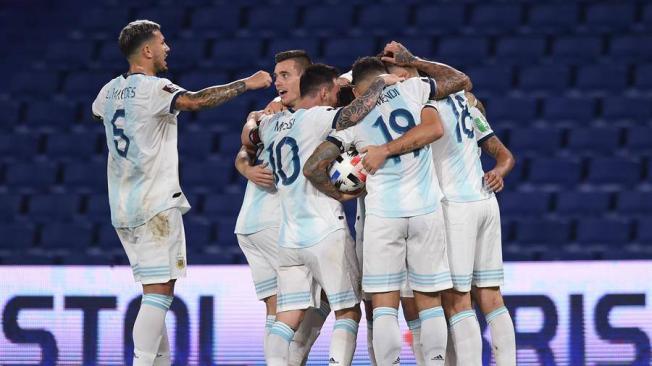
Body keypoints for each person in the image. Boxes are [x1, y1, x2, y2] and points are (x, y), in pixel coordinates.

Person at [91, 20, 271, 366]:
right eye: (162, 42)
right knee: (159, 293)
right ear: (147, 51)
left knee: (154, 289)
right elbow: (196, 101)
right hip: (154, 203)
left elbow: (97, 114)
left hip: (122, 205)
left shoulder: (107, 91)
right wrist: (246, 84)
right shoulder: (153, 88)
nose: (167, 48)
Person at [364, 42, 517, 366]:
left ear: (404, 75)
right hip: (485, 203)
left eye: (392, 79)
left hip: (454, 205)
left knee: (456, 301)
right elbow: (501, 152)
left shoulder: (418, 105)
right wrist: (499, 171)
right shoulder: (465, 101)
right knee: (491, 298)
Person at [305, 56, 452, 366]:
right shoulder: (414, 91)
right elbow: (457, 85)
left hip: (383, 215)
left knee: (384, 306)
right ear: (386, 76)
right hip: (426, 210)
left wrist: (343, 192)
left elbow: (314, 168)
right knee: (429, 302)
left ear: (357, 92)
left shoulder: (350, 120)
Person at [258, 63, 402, 365]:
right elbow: (354, 113)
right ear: (324, 92)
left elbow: (250, 133)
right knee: (348, 311)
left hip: (289, 236)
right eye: (336, 92)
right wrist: (380, 83)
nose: (339, 97)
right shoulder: (319, 117)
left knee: (286, 317)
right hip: (324, 230)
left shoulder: (270, 125)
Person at [235, 50, 331, 365]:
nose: (276, 81)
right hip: (278, 221)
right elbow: (243, 153)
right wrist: (247, 168)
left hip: (250, 223)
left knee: (278, 310)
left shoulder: (268, 116)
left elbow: (244, 148)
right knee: (326, 299)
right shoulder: (297, 115)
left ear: (307, 78)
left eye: (284, 75)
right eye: (276, 76)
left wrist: (245, 164)